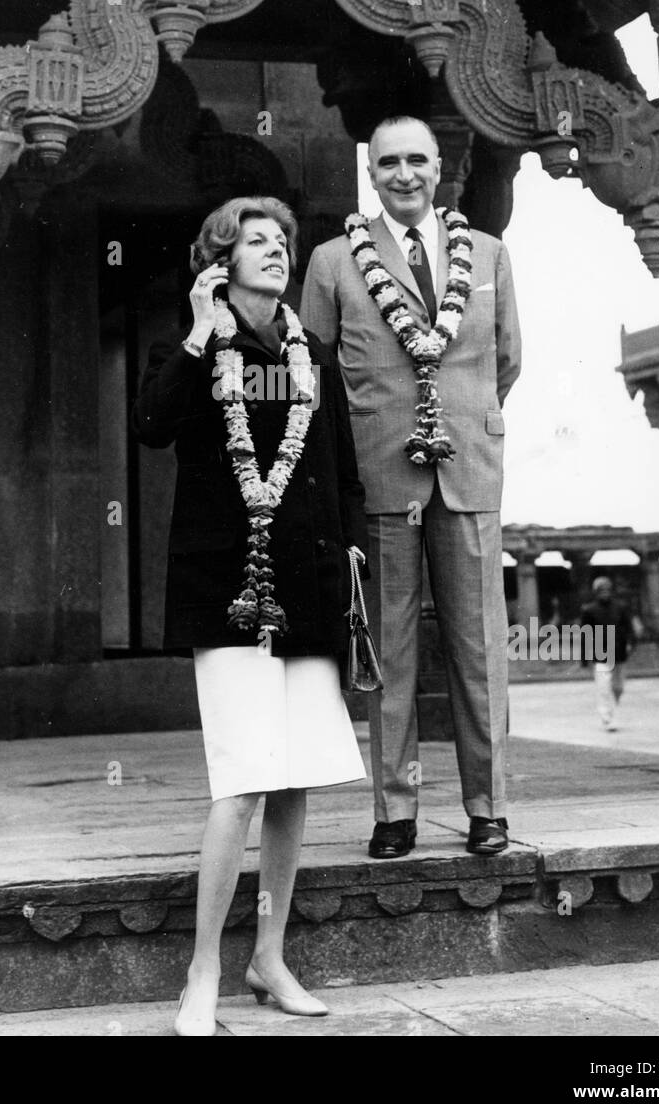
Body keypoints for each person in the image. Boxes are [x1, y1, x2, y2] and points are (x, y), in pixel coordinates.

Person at [132, 195, 368, 1036]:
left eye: (283, 243)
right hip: (226, 588)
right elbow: (153, 425)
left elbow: (341, 479)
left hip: (306, 588)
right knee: (240, 782)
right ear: (220, 261)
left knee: (296, 774)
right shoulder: (191, 347)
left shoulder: (315, 356)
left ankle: (269, 956)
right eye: (256, 242)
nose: (276, 252)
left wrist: (346, 585)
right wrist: (199, 334)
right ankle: (203, 971)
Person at [301, 116, 522, 859]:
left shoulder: (489, 254)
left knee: (480, 646)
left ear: (439, 169)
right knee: (388, 648)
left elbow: (507, 360)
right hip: (383, 471)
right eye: (388, 161)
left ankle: (488, 809)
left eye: (417, 161)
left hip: (469, 470)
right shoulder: (333, 261)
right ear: (372, 172)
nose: (404, 174)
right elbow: (317, 369)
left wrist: (463, 418)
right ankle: (395, 812)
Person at [579, 576, 635, 731]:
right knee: (603, 687)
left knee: (618, 687)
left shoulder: (621, 607)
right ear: (596, 592)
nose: (605, 593)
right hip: (601, 654)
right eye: (601, 590)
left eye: (607, 590)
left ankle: (613, 710)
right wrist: (585, 658)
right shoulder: (589, 610)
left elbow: (628, 628)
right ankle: (607, 717)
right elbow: (585, 635)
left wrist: (631, 643)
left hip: (619, 653)